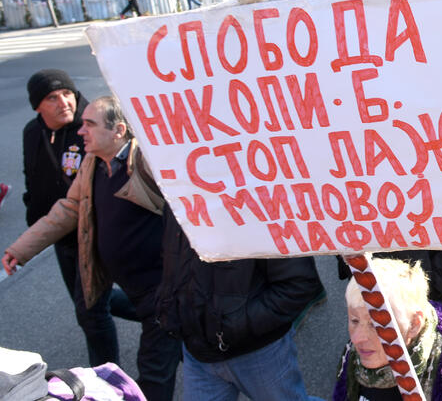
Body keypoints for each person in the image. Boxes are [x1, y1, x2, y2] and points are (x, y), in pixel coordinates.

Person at [3, 96, 181, 401]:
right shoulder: (92, 163)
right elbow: (70, 208)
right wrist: (21, 249)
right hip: (131, 287)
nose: (81, 131)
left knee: (153, 377)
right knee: (98, 313)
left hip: (162, 293)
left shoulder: (145, 162)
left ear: (119, 130)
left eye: (90, 124)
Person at [21, 70, 135, 368]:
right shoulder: (32, 133)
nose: (63, 102)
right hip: (61, 236)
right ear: (37, 106)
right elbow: (32, 178)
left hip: (93, 236)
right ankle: (165, 317)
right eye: (52, 97)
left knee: (91, 313)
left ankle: (105, 378)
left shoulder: (91, 129)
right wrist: (33, 217)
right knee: (90, 301)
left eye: (67, 93)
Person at [156, 210, 324, 400]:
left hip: (259, 355)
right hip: (197, 353)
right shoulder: (177, 200)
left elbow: (298, 284)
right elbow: (171, 263)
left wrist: (231, 326)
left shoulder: (260, 207)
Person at [333, 258, 442, 400]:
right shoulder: (352, 359)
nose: (357, 339)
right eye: (354, 320)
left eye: (375, 324)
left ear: (414, 324)